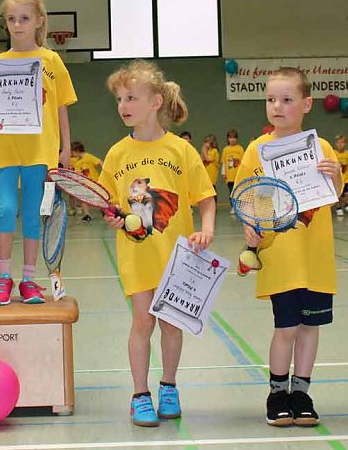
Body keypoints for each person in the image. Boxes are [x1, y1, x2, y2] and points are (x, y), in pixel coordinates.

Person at [98, 60, 215, 427]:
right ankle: (139, 395)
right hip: (136, 253)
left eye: (131, 97)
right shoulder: (117, 154)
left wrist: (206, 229)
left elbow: (206, 198)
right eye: (119, 99)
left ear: (155, 101)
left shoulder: (180, 150)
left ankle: (168, 386)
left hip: (177, 254)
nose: (123, 105)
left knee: (171, 325)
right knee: (142, 322)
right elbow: (109, 204)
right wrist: (113, 216)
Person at [233, 67, 342, 428]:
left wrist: (336, 175)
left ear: (307, 104)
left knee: (310, 328)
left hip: (316, 256)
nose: (277, 106)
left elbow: (334, 196)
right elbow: (248, 196)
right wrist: (254, 227)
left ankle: (302, 393)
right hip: (280, 254)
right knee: (286, 328)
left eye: (286, 99)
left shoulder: (322, 147)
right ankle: (277, 392)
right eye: (270, 99)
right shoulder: (257, 150)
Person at [0, 0, 77, 306]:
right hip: (6, 150)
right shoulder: (0, 63)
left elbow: (61, 108)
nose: (17, 25)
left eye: (24, 19)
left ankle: (29, 280)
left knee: (32, 214)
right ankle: (4, 276)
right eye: (11, 19)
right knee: (5, 210)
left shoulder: (51, 60)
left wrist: (65, 149)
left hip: (40, 152)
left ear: (39, 21)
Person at [71, 141, 103, 222]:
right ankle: (86, 215)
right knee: (83, 199)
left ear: (77, 151)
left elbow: (100, 162)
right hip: (84, 184)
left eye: (73, 152)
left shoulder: (88, 157)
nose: (72, 154)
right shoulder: (77, 161)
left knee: (100, 199)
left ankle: (106, 211)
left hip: (94, 183)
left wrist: (105, 172)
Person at [333, 134, 348, 216]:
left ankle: (347, 205)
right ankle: (338, 207)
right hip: (337, 179)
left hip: (346, 179)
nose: (340, 144)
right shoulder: (333, 153)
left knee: (347, 193)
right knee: (338, 195)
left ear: (345, 143)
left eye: (342, 142)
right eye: (338, 143)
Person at [221, 128, 245, 211]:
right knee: (231, 192)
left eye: (234, 137)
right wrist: (223, 173)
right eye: (230, 137)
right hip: (229, 176)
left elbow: (243, 162)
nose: (232, 139)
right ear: (227, 138)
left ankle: (239, 207)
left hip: (238, 175)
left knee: (239, 191)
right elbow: (224, 162)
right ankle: (233, 207)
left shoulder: (240, 149)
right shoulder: (225, 149)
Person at [200, 134, 220, 200]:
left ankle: (214, 205)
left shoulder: (214, 151)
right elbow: (201, 160)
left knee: (212, 189)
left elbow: (208, 159)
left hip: (212, 174)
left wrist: (204, 150)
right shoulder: (207, 151)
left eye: (207, 142)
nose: (205, 144)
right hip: (206, 173)